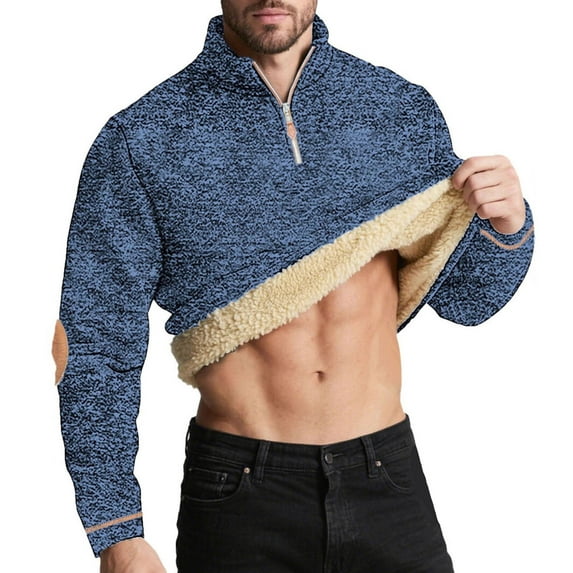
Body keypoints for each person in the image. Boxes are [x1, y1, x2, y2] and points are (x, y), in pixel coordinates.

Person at [52, 1, 534, 572]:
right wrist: (116, 531)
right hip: (239, 490)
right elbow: (95, 343)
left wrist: (508, 225)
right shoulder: (143, 137)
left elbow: (468, 300)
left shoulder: (396, 109)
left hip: (387, 477)